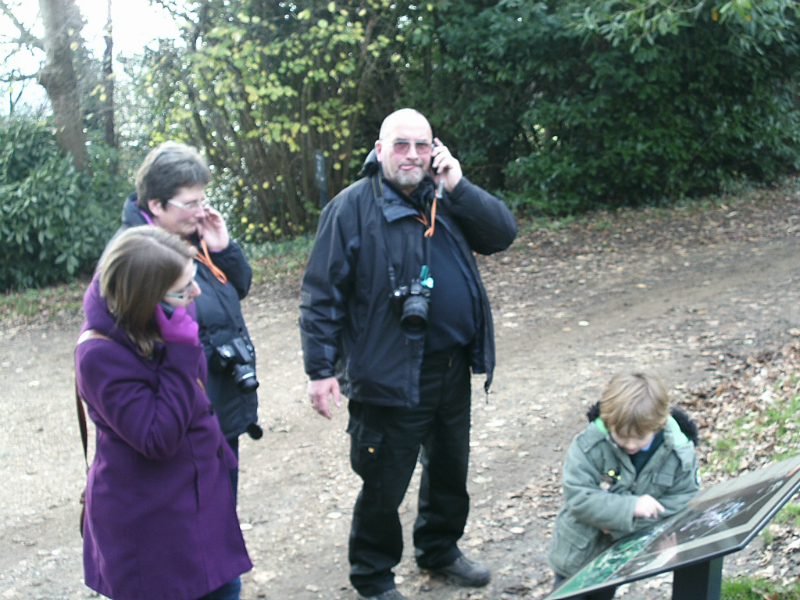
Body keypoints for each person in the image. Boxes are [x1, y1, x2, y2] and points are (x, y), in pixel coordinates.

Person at [299, 108, 518, 600]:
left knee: (448, 469)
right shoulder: (350, 209)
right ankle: (373, 576)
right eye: (401, 145)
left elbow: (502, 234)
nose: (413, 155)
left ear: (435, 149)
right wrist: (320, 370)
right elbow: (320, 295)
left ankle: (439, 549)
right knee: (383, 480)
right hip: (389, 372)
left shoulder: (445, 196)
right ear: (379, 151)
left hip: (450, 366)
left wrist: (459, 186)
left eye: (422, 145)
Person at [75, 227, 252, 600]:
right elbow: (157, 438)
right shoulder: (100, 354)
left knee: (225, 588)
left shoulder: (162, 323)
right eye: (183, 289)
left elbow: (194, 396)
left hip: (196, 507)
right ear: (144, 299)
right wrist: (182, 350)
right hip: (152, 530)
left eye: (193, 280)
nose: (196, 293)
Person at [106, 141, 261, 497]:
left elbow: (237, 288)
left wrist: (223, 248)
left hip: (218, 403)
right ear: (157, 205)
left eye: (203, 201)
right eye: (190, 204)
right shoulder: (138, 257)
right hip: (181, 419)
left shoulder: (191, 238)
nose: (200, 211)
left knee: (220, 515)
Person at [547, 371, 700, 599]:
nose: (630, 444)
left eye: (639, 437)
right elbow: (578, 496)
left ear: (656, 426)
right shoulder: (589, 444)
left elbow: (682, 499)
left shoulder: (679, 453)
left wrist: (620, 523)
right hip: (578, 552)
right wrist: (628, 508)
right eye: (621, 436)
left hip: (620, 556)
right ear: (609, 423)